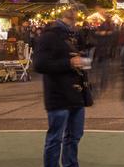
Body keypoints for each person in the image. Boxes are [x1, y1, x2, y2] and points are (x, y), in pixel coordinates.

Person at [33, 8, 88, 167]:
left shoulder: (75, 35)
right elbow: (40, 64)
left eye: (75, 10)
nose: (74, 13)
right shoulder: (49, 36)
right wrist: (69, 63)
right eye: (70, 10)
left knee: (74, 136)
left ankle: (71, 164)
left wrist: (83, 62)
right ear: (61, 14)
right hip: (58, 94)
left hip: (76, 94)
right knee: (55, 138)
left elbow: (79, 58)